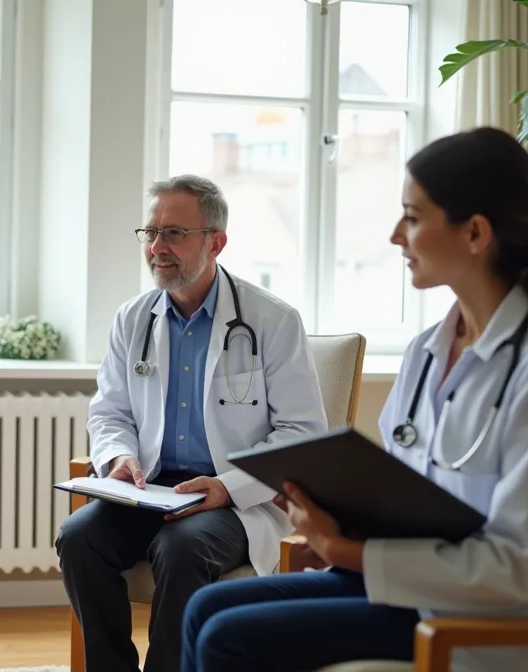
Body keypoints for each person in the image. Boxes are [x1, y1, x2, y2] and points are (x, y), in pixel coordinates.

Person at [180, 127, 528, 672]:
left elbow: (516, 566)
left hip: (474, 623)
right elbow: (399, 490)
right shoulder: (427, 351)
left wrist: (351, 552)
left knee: (230, 637)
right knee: (204, 607)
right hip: (402, 592)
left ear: (475, 233)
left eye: (413, 218)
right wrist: (332, 516)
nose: (396, 235)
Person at [56, 174, 329, 672]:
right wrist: (120, 458)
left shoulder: (272, 320)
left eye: (175, 234)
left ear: (216, 242)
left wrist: (226, 488)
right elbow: (110, 411)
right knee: (78, 537)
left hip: (235, 500)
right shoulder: (133, 318)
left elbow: (302, 434)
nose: (158, 247)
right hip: (149, 489)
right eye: (151, 233)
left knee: (180, 548)